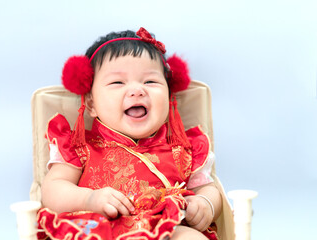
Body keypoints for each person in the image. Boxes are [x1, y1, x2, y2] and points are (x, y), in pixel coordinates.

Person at [37, 27, 222, 240]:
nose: (136, 90)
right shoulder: (80, 147)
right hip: (100, 229)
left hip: (165, 228)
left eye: (150, 81)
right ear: (91, 103)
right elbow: (52, 189)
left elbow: (208, 188)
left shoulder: (184, 148)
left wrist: (205, 203)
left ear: (170, 95)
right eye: (117, 82)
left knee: (190, 237)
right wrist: (89, 199)